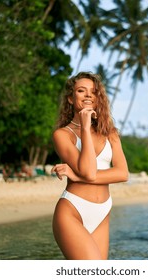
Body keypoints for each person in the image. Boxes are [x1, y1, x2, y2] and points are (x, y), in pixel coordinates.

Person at [51, 72, 129, 260]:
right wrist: (85, 127)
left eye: (93, 92)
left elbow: (122, 173)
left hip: (102, 212)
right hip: (72, 211)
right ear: (71, 98)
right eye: (81, 90)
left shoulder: (109, 132)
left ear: (97, 98)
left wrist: (78, 177)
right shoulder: (63, 135)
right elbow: (88, 170)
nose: (88, 95)